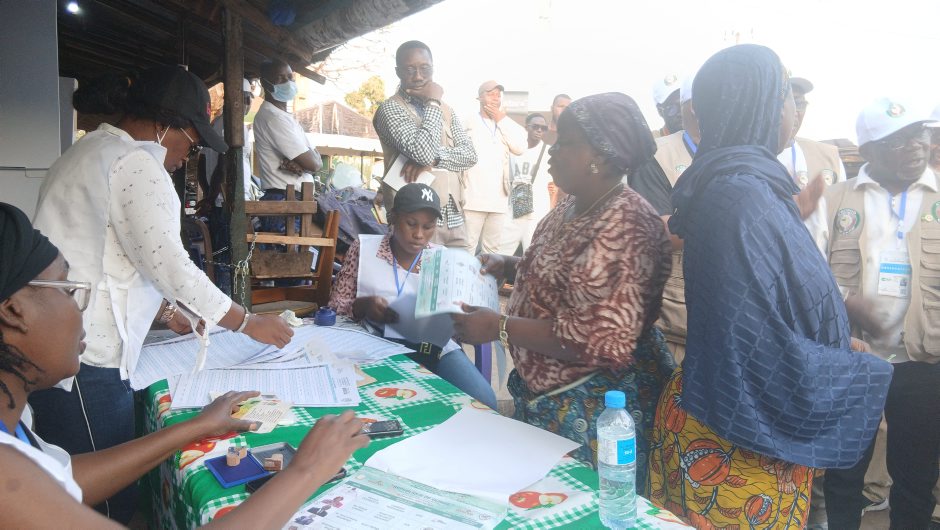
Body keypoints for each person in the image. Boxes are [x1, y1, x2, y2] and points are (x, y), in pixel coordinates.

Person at [29, 65, 294, 522]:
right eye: (191, 143)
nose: (186, 156)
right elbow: (170, 264)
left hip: (52, 343)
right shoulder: (136, 164)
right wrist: (248, 322)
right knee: (106, 499)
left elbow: (109, 256)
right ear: (167, 124)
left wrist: (165, 312)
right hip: (87, 358)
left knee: (69, 486)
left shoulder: (86, 150)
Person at [0, 202, 368, 529]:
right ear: (13, 311)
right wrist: (306, 471)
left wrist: (198, 426)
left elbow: (63, 479)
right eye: (67, 290)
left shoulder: (15, 427)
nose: (82, 309)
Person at [646, 45, 893, 529]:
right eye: (786, 97)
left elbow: (764, 302)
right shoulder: (743, 196)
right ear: (757, 105)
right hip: (737, 438)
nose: (795, 111)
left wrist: (837, 328)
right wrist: (860, 367)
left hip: (735, 415)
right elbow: (755, 342)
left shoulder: (746, 184)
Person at [451, 93, 675, 484]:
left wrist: (498, 326)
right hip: (547, 399)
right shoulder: (573, 204)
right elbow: (566, 274)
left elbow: (597, 337)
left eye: (566, 141)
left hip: (593, 411)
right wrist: (510, 265)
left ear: (600, 156)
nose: (552, 149)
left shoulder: (627, 223)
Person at [819, 98, 939, 530]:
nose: (916, 145)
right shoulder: (835, 199)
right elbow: (806, 270)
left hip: (923, 361)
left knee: (917, 475)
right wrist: (846, 300)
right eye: (898, 140)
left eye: (919, 134)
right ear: (868, 150)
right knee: (845, 472)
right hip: (854, 357)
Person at [328, 183, 497, 410]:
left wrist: (454, 319)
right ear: (393, 218)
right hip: (373, 341)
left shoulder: (442, 258)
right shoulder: (364, 248)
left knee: (484, 400)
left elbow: (461, 321)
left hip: (432, 348)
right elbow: (335, 307)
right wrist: (362, 306)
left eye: (428, 227)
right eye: (411, 224)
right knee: (371, 400)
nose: (419, 235)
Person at [372, 40, 478, 248]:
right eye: (410, 69)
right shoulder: (390, 109)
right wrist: (432, 102)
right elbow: (423, 154)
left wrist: (436, 159)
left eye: (425, 68)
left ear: (433, 68)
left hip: (454, 219)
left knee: (459, 270)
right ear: (398, 72)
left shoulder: (446, 109)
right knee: (417, 271)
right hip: (414, 225)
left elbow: (470, 155)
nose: (418, 76)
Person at [628, 72, 699, 364]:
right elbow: (658, 232)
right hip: (674, 318)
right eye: (674, 103)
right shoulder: (655, 155)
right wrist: (729, 218)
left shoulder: (738, 154)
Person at [777, 76, 847, 253]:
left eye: (799, 103)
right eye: (783, 102)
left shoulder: (828, 157)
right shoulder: (743, 160)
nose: (794, 111)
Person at [253, 58, 323, 234]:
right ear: (265, 83)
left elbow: (317, 160)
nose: (288, 83)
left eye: (290, 77)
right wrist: (308, 163)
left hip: (293, 201)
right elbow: (314, 164)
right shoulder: (274, 118)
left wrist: (305, 164)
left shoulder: (285, 117)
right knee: (287, 251)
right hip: (284, 202)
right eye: (280, 78)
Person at [462, 80, 527, 254]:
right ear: (479, 98)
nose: (495, 98)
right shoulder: (468, 122)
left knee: (491, 251)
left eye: (498, 95)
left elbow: (520, 148)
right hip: (472, 199)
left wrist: (501, 119)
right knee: (467, 247)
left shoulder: (505, 124)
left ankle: (485, 274)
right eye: (491, 94)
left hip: (498, 201)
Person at [498, 113, 552, 254]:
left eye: (543, 128)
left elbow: (554, 186)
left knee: (533, 256)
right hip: (513, 210)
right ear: (526, 127)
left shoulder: (548, 152)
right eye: (535, 126)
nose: (539, 130)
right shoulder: (513, 150)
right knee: (500, 252)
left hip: (537, 212)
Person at [548, 94, 572, 207]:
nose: (564, 110)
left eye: (567, 108)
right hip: (541, 196)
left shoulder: (574, 136)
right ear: (552, 108)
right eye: (560, 106)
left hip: (566, 198)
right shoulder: (539, 132)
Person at [651, 73, 683, 138]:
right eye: (672, 108)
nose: (681, 113)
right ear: (660, 111)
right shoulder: (652, 142)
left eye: (683, 104)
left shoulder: (702, 133)